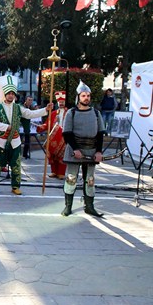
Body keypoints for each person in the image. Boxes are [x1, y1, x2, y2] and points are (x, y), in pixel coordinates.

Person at [0, 76, 50, 195]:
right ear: (5, 94)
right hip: (2, 141)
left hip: (15, 141)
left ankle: (15, 186)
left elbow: (30, 114)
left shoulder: (18, 108)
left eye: (13, 93)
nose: (11, 95)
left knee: (16, 165)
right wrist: (6, 127)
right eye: (9, 93)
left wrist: (45, 110)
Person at [61, 80, 105, 217]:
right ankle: (68, 207)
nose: (86, 98)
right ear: (78, 97)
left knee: (90, 180)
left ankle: (89, 207)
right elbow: (67, 133)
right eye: (83, 95)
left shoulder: (96, 113)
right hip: (75, 151)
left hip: (91, 150)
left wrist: (98, 151)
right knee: (71, 178)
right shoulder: (71, 113)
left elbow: (100, 134)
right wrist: (75, 149)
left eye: (88, 96)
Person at [37, 91, 69, 179]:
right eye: (60, 102)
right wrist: (41, 127)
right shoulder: (54, 113)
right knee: (52, 155)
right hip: (54, 136)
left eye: (62, 102)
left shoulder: (70, 113)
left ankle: (61, 172)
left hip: (64, 137)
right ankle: (54, 171)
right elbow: (47, 124)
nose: (61, 103)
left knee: (62, 156)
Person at [20, 95, 35, 159]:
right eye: (29, 100)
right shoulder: (21, 107)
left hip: (27, 128)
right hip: (21, 128)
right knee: (18, 142)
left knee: (27, 142)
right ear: (26, 100)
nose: (30, 101)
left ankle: (25, 154)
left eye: (31, 100)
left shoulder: (32, 107)